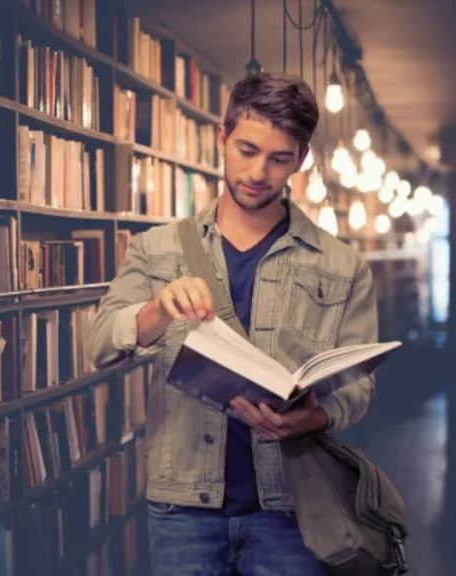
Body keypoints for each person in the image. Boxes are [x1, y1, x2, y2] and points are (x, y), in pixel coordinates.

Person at [89, 72, 378, 576]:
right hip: (183, 509)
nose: (258, 172)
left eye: (279, 158)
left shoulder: (341, 266)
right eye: (246, 149)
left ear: (301, 159)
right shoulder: (156, 249)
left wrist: (313, 417)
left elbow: (359, 386)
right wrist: (159, 308)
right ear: (222, 138)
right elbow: (100, 344)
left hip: (290, 510)